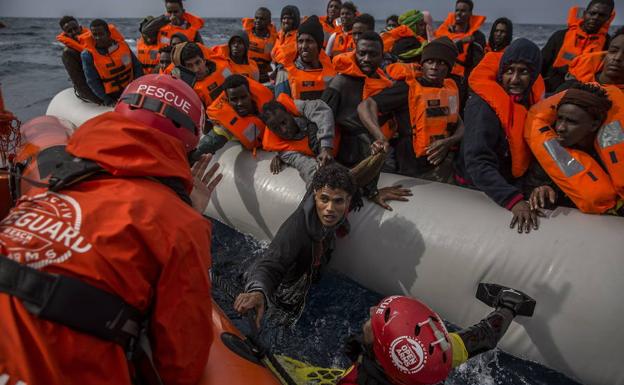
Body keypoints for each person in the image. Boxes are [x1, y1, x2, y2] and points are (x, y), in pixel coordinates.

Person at [0, 74, 221, 385]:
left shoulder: (54, 183)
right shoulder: (181, 225)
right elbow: (180, 365)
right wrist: (185, 211)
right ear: (190, 142)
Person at [233, 163, 357, 327]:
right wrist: (258, 292)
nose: (330, 209)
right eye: (324, 199)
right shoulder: (297, 230)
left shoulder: (337, 207)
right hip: (273, 290)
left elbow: (358, 177)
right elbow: (271, 264)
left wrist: (376, 192)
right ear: (315, 195)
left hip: (305, 280)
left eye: (338, 201)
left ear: (348, 201)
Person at [455, 38, 546, 233]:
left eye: (523, 72)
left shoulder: (530, 103)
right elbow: (477, 162)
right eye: (509, 71)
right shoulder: (482, 106)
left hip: (510, 180)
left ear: (534, 75)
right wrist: (513, 201)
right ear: (500, 73)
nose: (514, 79)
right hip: (475, 187)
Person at [338, 294, 527, 385]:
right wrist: (509, 306)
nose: (372, 311)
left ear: (381, 352)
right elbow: (486, 335)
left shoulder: (352, 381)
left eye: (375, 321)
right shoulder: (434, 357)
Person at [322, 31, 412, 209]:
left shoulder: (386, 84)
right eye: (362, 53)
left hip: (382, 154)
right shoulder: (341, 83)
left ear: (383, 56)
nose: (366, 58)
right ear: (355, 52)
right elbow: (321, 118)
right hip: (351, 157)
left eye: (373, 54)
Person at [358, 37, 464, 182]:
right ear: (423, 64)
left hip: (441, 165)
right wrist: (380, 138)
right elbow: (366, 106)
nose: (434, 67)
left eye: (441, 63)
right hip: (410, 165)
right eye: (430, 61)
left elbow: (459, 123)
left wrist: (449, 142)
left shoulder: (449, 88)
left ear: (449, 68)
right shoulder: (407, 88)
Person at [524, 82, 623, 215]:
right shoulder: (550, 152)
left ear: (594, 125)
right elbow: (530, 184)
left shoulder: (614, 152)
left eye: (572, 122)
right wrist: (541, 189)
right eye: (559, 119)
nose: (560, 128)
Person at [190, 74, 274, 161]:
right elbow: (210, 142)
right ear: (228, 100)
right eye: (234, 99)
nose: (240, 103)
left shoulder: (269, 99)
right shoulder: (227, 124)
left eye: (243, 97)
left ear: (250, 94)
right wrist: (192, 157)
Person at [541, 0, 615, 93]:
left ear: (608, 19)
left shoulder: (609, 44)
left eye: (601, 15)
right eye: (592, 13)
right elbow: (541, 64)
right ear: (584, 14)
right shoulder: (560, 36)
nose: (595, 17)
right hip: (551, 90)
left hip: (583, 93)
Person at [262, 94, 336, 185]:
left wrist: (326, 146)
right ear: (272, 131)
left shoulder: (300, 109)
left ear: (289, 114)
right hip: (330, 161)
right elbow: (305, 165)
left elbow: (322, 111)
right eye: (276, 129)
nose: (284, 130)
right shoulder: (284, 152)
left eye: (284, 122)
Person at [81, 19, 143, 106]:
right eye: (95, 35)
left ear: (108, 34)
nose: (98, 38)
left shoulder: (122, 45)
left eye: (101, 34)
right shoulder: (87, 55)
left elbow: (137, 66)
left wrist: (137, 89)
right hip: (112, 96)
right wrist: (108, 101)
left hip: (131, 89)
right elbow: (92, 81)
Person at [274, 15, 336, 100]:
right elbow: (281, 107)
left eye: (309, 41)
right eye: (300, 41)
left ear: (319, 45)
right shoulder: (285, 73)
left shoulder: (331, 70)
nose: (304, 46)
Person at [434, 0, 486, 78]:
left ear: (470, 13)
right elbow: (437, 52)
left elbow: (476, 63)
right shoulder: (444, 31)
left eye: (463, 11)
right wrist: (461, 42)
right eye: (457, 10)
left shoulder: (477, 36)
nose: (459, 13)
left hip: (461, 78)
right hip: (441, 74)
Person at [56, 16, 102, 104]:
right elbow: (79, 83)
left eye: (75, 28)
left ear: (80, 27)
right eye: (69, 31)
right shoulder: (68, 53)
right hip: (90, 91)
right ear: (65, 34)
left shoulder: (95, 41)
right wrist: (100, 101)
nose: (74, 32)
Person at [174, 42, 231, 109]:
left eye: (198, 62)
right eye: (190, 66)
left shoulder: (223, 68)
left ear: (204, 60)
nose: (196, 69)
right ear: (185, 69)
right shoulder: (189, 90)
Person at [242, 7, 277, 83]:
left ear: (269, 22)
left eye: (262, 19)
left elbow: (277, 59)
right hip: (247, 69)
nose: (258, 21)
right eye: (256, 18)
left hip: (264, 72)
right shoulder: (246, 34)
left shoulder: (274, 39)